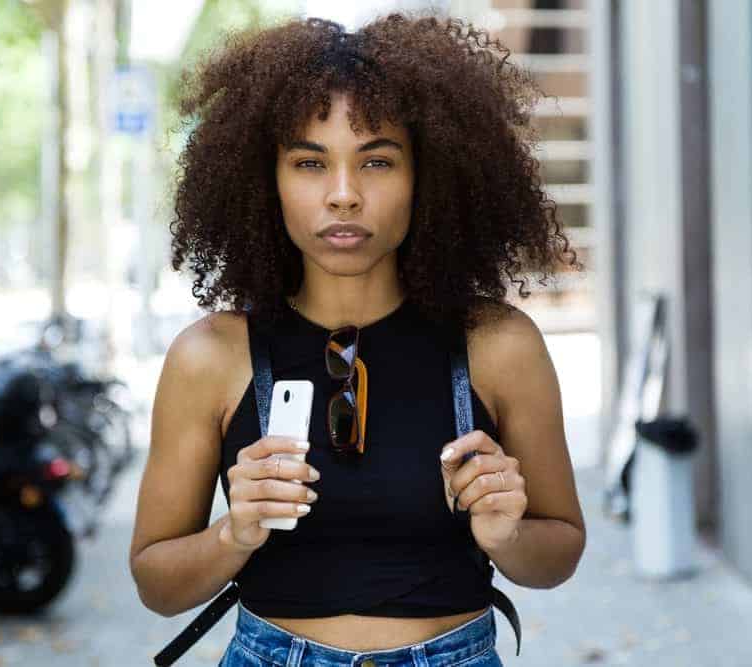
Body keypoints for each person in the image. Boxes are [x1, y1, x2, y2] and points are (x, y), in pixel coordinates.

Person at [130, 10, 586, 666]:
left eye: (377, 160)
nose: (344, 195)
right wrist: (236, 531)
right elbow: (155, 582)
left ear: (427, 175)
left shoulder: (499, 345)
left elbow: (559, 553)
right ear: (268, 180)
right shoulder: (210, 357)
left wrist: (506, 535)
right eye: (310, 162)